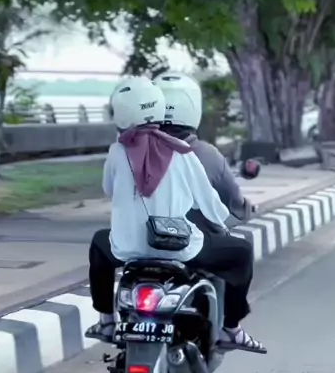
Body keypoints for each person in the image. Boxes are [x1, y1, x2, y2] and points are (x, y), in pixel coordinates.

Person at [86, 75, 266, 354]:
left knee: (99, 243)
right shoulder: (183, 152)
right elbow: (209, 202)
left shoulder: (118, 151)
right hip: (177, 246)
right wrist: (220, 221)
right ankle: (230, 329)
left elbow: (109, 190)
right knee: (241, 252)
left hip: (127, 249)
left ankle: (106, 321)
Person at [153, 71, 253, 235]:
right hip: (193, 243)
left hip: (140, 242)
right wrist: (246, 208)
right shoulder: (208, 155)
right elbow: (236, 207)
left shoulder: (131, 153)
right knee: (243, 248)